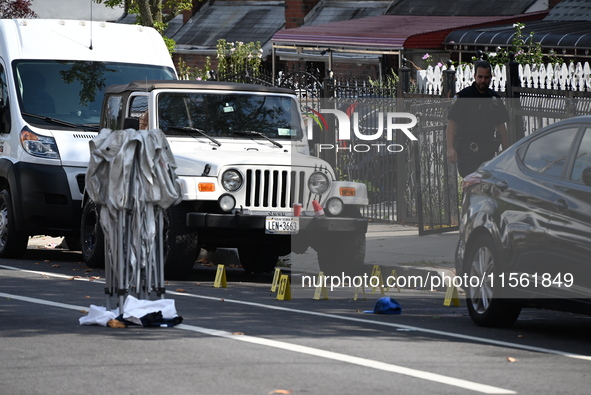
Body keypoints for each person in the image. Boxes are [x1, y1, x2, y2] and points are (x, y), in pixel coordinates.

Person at [446, 61, 509, 177]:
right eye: (480, 77)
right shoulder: (464, 97)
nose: (483, 80)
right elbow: (452, 122)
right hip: (468, 153)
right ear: (475, 76)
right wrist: (450, 148)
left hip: (488, 153)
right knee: (472, 186)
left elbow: (501, 127)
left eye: (486, 77)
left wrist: (507, 153)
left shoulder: (494, 99)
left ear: (491, 77)